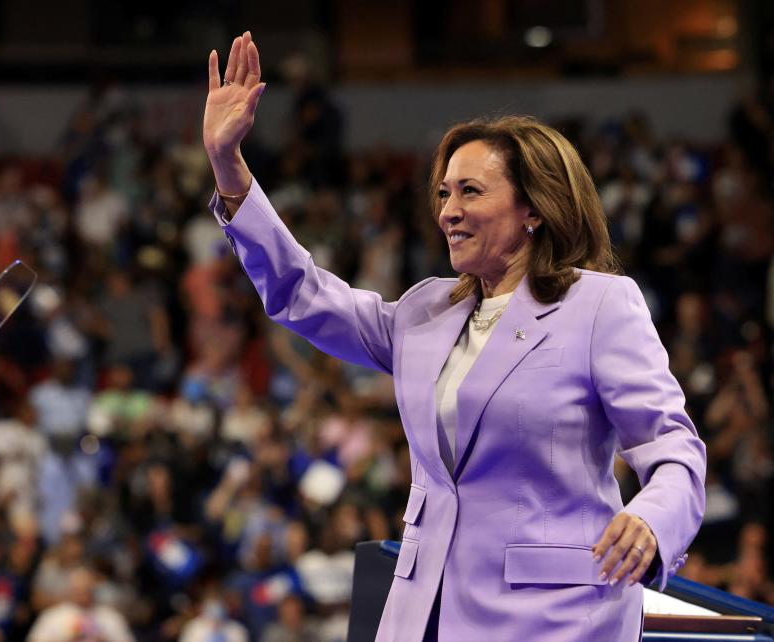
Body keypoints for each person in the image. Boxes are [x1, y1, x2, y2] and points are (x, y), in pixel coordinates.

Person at [202, 32, 707, 641]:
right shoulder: (425, 312)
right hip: (424, 615)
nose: (447, 210)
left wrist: (652, 521)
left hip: (556, 621)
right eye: (443, 192)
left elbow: (674, 450)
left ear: (534, 208)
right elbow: (301, 292)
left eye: (470, 191)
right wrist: (229, 167)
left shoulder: (598, 305)